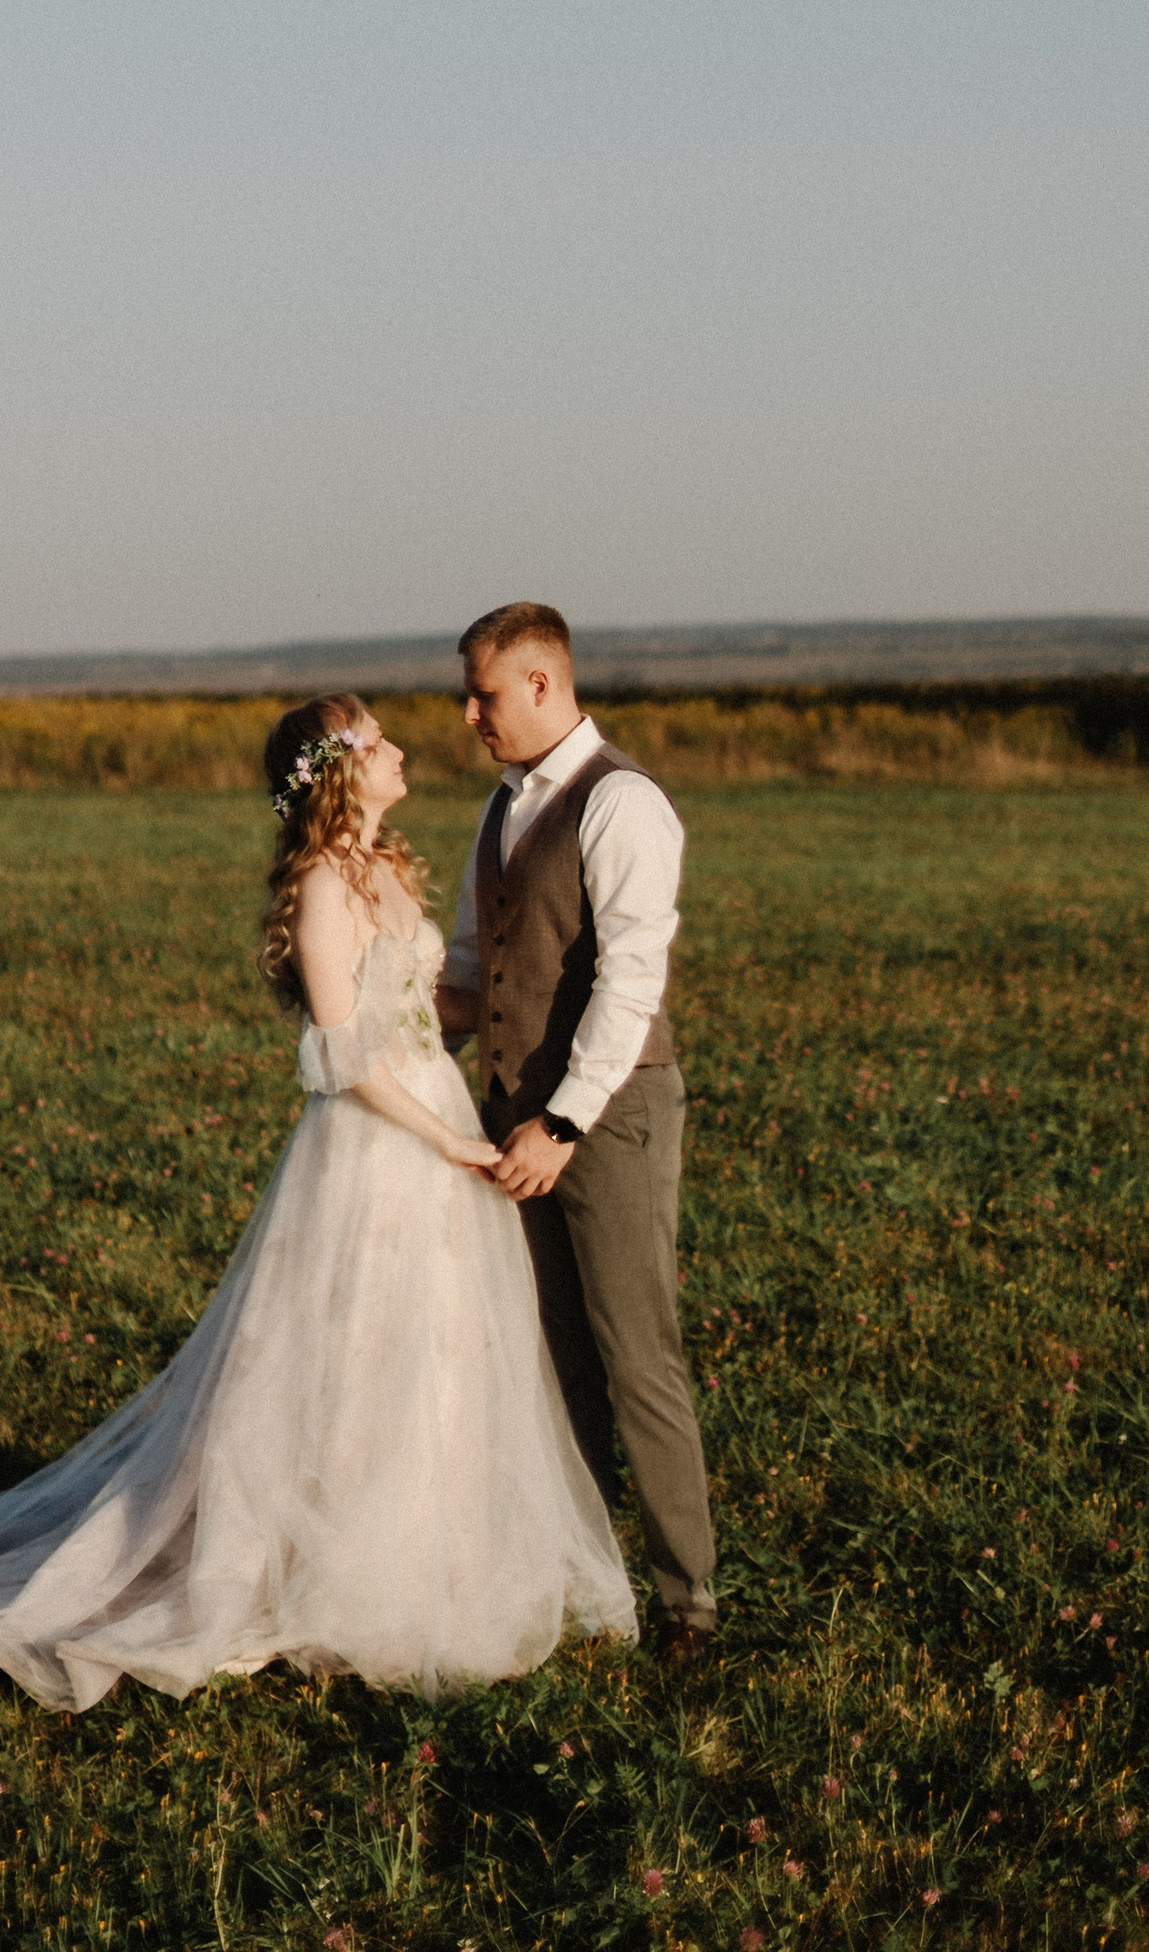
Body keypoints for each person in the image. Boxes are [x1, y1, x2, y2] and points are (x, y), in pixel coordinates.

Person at [0, 694, 634, 1708]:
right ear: (340, 772)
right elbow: (340, 1056)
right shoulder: (318, 884)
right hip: (378, 1141)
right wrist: (444, 1138)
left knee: (428, 1346)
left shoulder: (385, 867)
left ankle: (416, 1556)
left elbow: (410, 1000)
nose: (402, 752)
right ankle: (315, 1566)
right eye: (380, 743)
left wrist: (512, 1008)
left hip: (432, 1114)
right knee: (350, 1348)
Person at [436, 601, 719, 1666]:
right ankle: (586, 1579)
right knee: (555, 1358)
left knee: (635, 1353)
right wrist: (370, 1008)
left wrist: (559, 1119)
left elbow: (629, 976)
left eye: (485, 693)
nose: (470, 714)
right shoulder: (499, 809)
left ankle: (685, 1609)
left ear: (545, 684)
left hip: (605, 1115)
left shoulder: (621, 803)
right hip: (517, 1120)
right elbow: (476, 973)